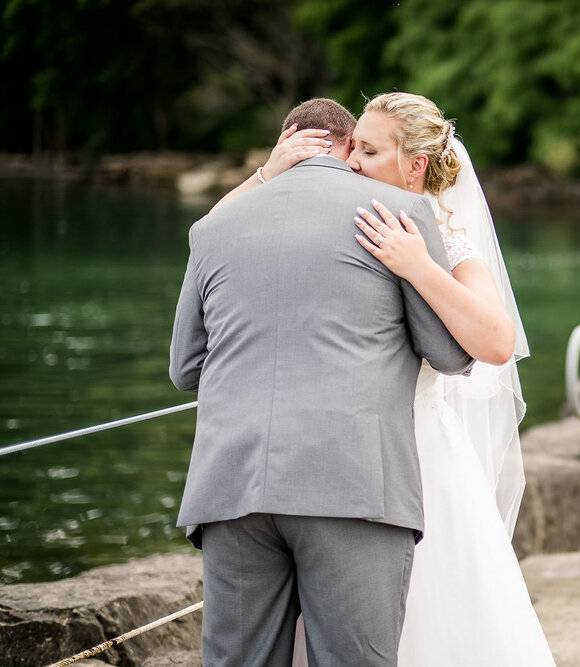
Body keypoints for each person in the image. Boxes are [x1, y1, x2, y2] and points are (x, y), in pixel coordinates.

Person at [218, 92, 554, 665]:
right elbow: (213, 237)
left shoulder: (449, 242)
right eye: (354, 149)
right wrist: (266, 174)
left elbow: (496, 342)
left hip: (419, 464)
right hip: (329, 465)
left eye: (369, 151)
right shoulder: (342, 221)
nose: (351, 163)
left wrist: (417, 263)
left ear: (414, 165)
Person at [169, 97, 474, 666]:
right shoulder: (398, 212)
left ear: (287, 142)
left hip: (232, 486)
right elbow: (449, 354)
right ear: (346, 142)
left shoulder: (216, 224)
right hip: (352, 484)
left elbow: (185, 368)